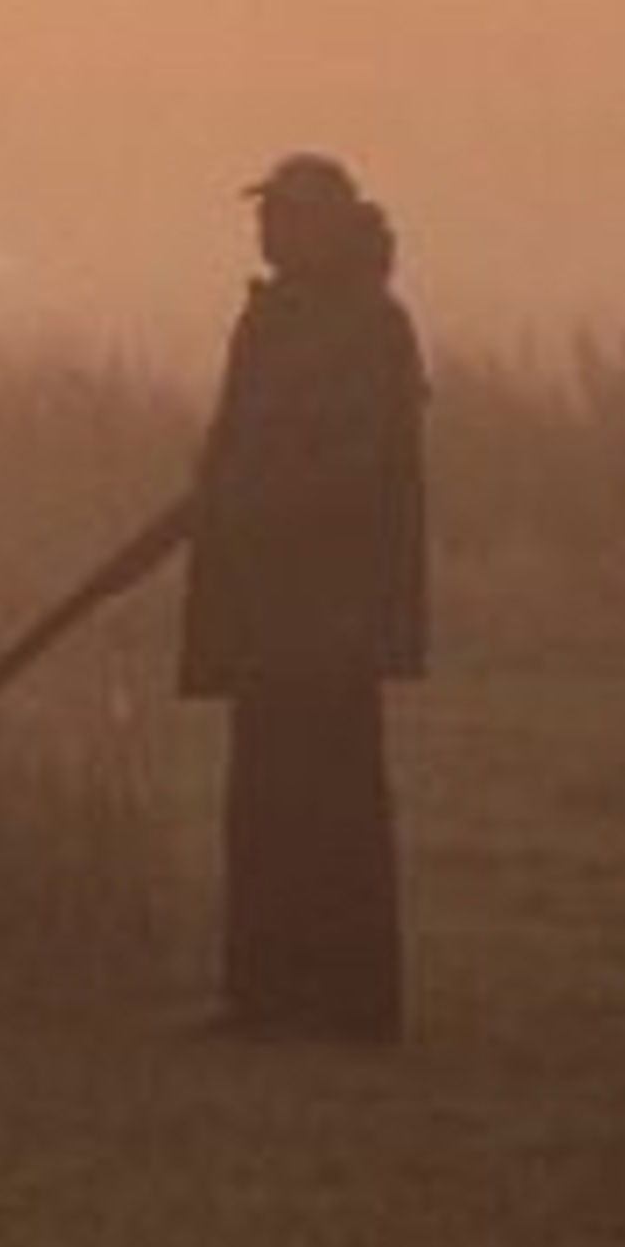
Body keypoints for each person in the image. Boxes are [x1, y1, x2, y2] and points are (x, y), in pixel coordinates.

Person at [177, 153, 428, 1042]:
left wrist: (247, 499)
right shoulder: (274, 320)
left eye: (284, 215)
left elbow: (357, 472)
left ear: (329, 226)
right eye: (267, 215)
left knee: (336, 806)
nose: (267, 228)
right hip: (268, 604)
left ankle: (354, 1007)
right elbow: (239, 441)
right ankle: (264, 998)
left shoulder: (372, 328)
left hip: (331, 609)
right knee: (265, 802)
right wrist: (217, 497)